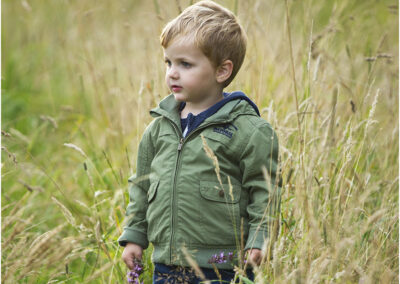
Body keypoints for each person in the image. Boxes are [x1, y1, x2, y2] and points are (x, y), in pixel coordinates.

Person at [119, 1, 280, 283]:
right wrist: (134, 236)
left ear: (222, 71)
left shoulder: (248, 131)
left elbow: (265, 191)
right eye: (168, 62)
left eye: (185, 64)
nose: (172, 72)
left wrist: (260, 237)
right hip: (166, 266)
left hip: (222, 266)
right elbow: (141, 186)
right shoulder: (159, 128)